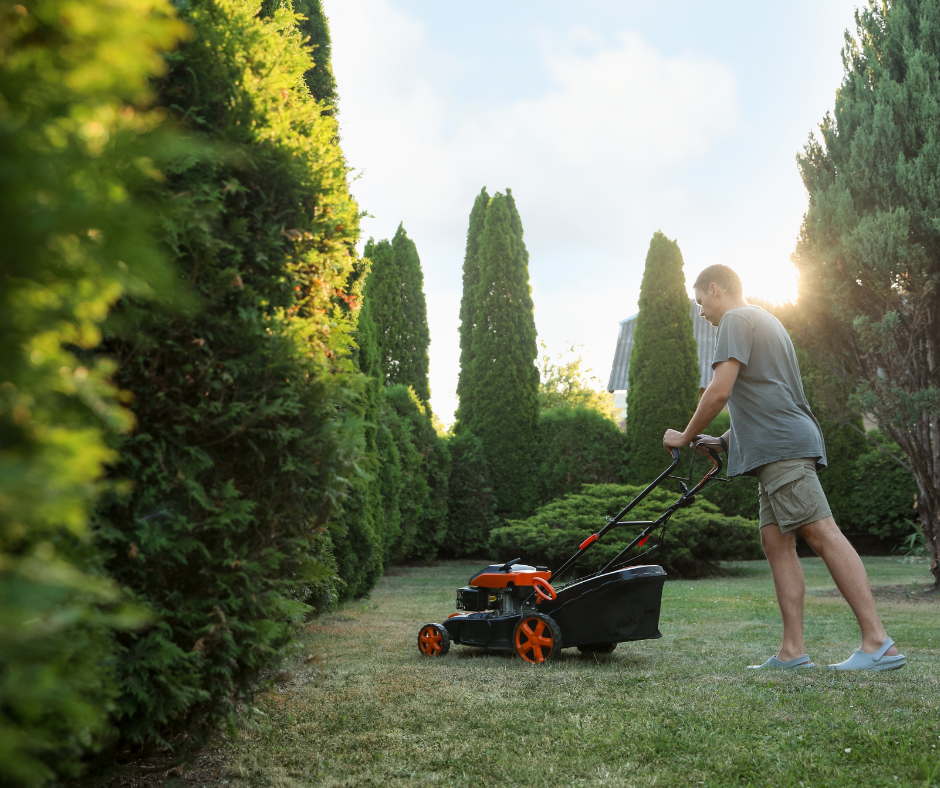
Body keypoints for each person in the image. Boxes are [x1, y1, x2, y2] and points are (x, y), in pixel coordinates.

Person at [662, 264, 905, 671]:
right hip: (775, 448)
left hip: (781, 450)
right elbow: (766, 396)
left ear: (716, 289)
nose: (701, 312)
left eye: (701, 301)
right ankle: (792, 651)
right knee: (776, 543)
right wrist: (722, 441)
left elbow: (720, 391)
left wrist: (684, 436)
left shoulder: (735, 320)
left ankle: (878, 642)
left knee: (823, 534)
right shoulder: (764, 320)